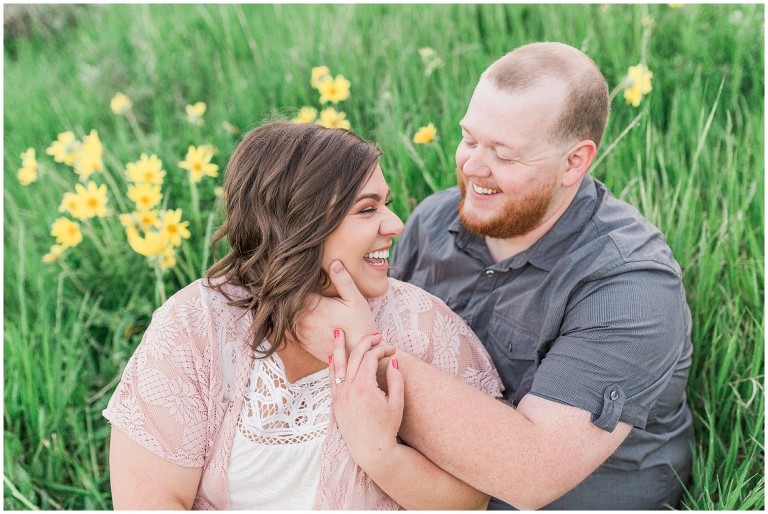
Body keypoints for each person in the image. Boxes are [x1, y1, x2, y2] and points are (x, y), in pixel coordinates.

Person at [297, 42, 694, 510]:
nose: (472, 167)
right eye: (469, 139)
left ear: (574, 162)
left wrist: (360, 350)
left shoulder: (628, 285)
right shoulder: (433, 220)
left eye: (504, 155)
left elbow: (533, 474)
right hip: (424, 480)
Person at [103, 121, 503, 510]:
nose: (396, 225)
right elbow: (150, 501)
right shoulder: (196, 325)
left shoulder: (423, 325)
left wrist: (380, 453)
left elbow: (472, 500)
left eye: (387, 204)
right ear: (300, 224)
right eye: (367, 209)